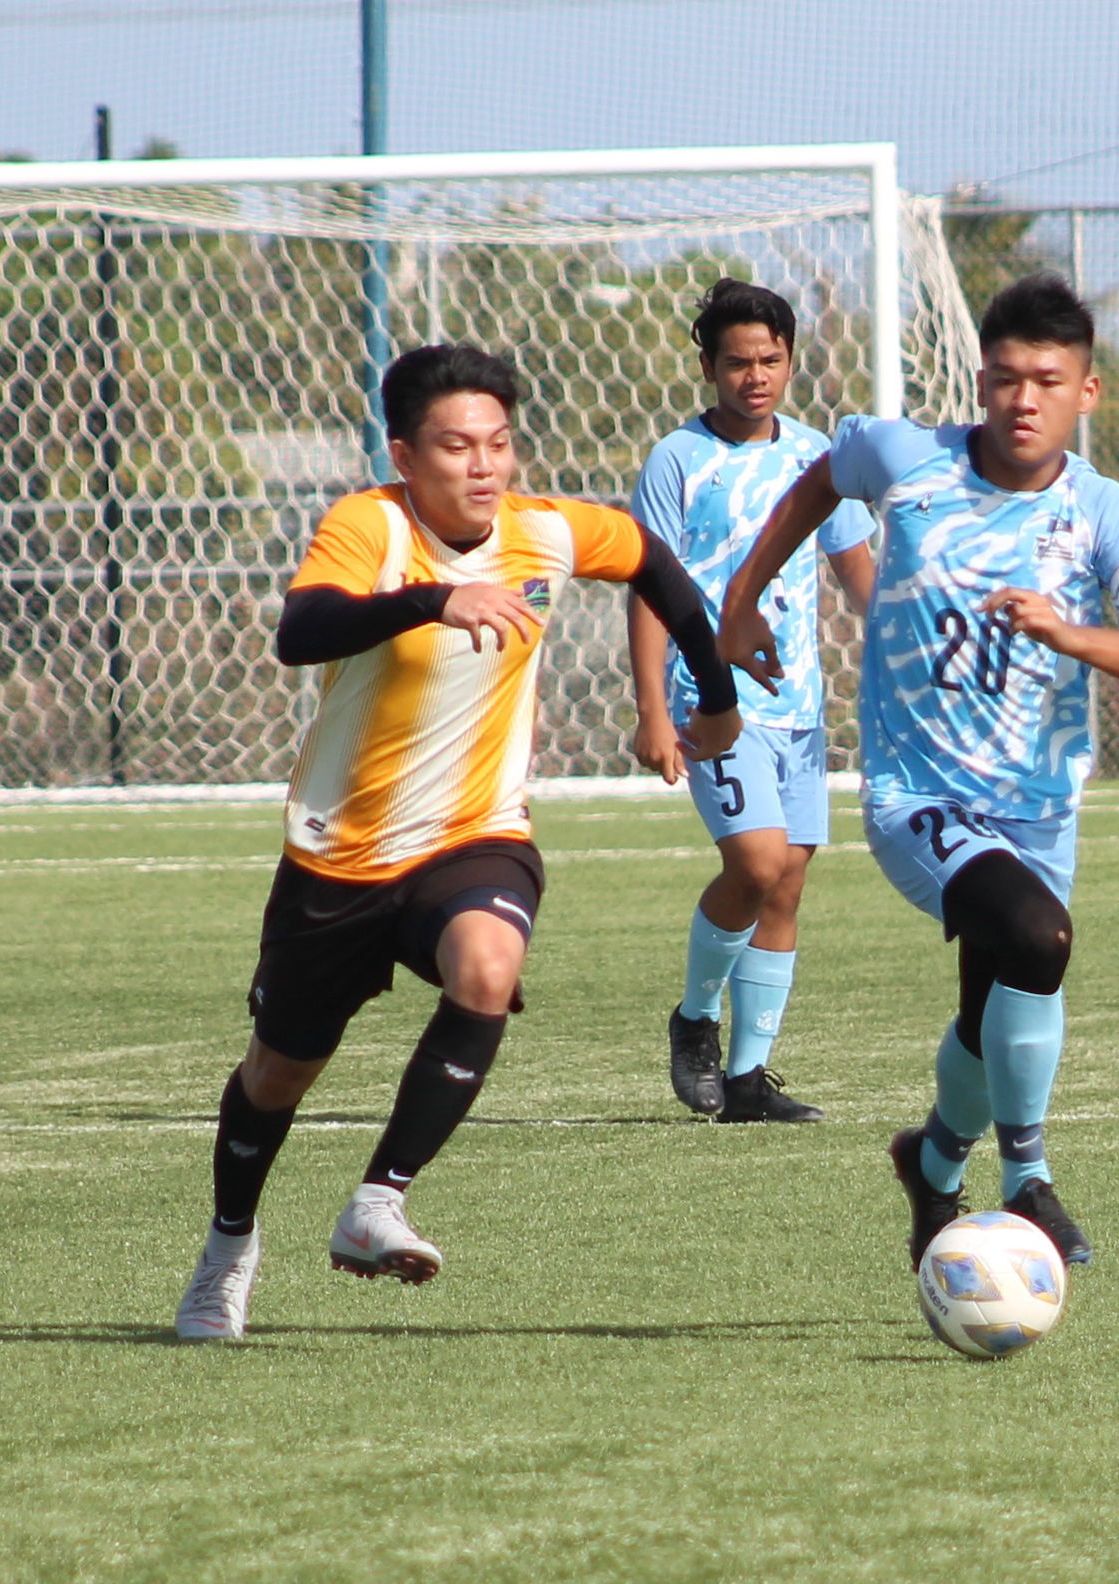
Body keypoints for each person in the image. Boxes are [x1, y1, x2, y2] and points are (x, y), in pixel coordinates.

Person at [175, 342, 740, 1341]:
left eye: (499, 443)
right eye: (455, 446)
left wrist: (718, 697)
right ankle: (228, 1247)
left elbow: (656, 566)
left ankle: (378, 1200)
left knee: (487, 968)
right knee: (277, 1074)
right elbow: (301, 629)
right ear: (404, 453)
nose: (483, 466)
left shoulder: (547, 534)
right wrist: (435, 600)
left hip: (476, 835)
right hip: (339, 857)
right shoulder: (371, 525)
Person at [718, 272, 1119, 1265]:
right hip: (917, 795)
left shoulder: (1103, 515)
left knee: (998, 1000)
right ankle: (1029, 1181)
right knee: (1038, 937)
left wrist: (1069, 633)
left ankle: (932, 1166)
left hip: (1037, 808)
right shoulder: (906, 457)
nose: (1025, 399)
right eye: (1008, 377)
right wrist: (744, 597)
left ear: (1086, 393)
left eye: (1049, 380)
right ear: (980, 380)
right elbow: (818, 482)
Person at [628, 278, 875, 1123]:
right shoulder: (678, 459)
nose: (755, 376)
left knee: (790, 879)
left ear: (792, 360)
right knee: (757, 862)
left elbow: (856, 569)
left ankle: (746, 1079)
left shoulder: (816, 455)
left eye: (771, 359)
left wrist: (904, 648)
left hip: (799, 704)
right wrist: (653, 711)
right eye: (737, 362)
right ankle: (695, 1021)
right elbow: (646, 584)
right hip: (712, 700)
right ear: (707, 366)